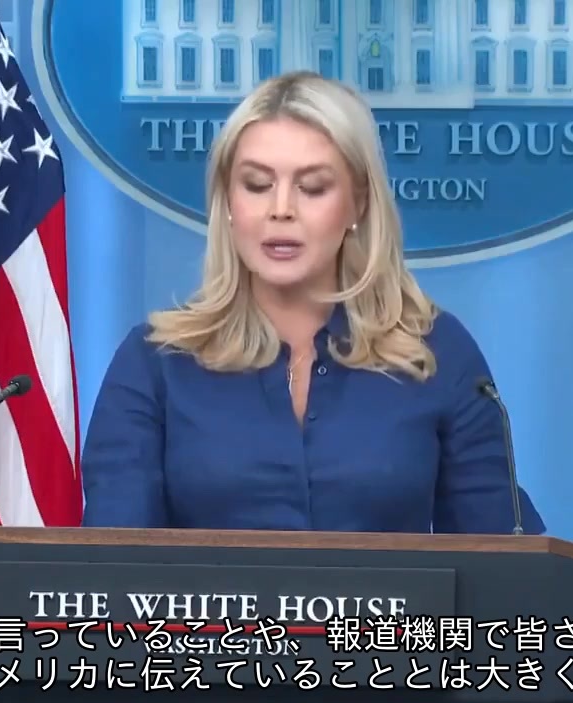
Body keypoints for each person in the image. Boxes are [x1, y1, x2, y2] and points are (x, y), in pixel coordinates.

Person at [81, 71, 545, 535]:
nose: (281, 209)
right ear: (227, 201)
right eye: (257, 185)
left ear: (358, 203)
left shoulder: (435, 352)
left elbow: (500, 558)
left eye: (313, 187)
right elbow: (113, 562)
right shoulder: (156, 362)